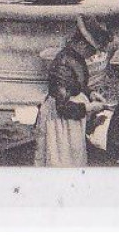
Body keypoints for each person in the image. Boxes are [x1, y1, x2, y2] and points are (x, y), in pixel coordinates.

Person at [34, 17, 113, 168]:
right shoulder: (63, 63)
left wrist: (90, 94)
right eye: (92, 50)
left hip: (72, 118)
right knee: (62, 160)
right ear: (82, 44)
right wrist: (90, 108)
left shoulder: (76, 57)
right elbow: (62, 107)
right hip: (60, 122)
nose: (93, 55)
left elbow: (76, 83)